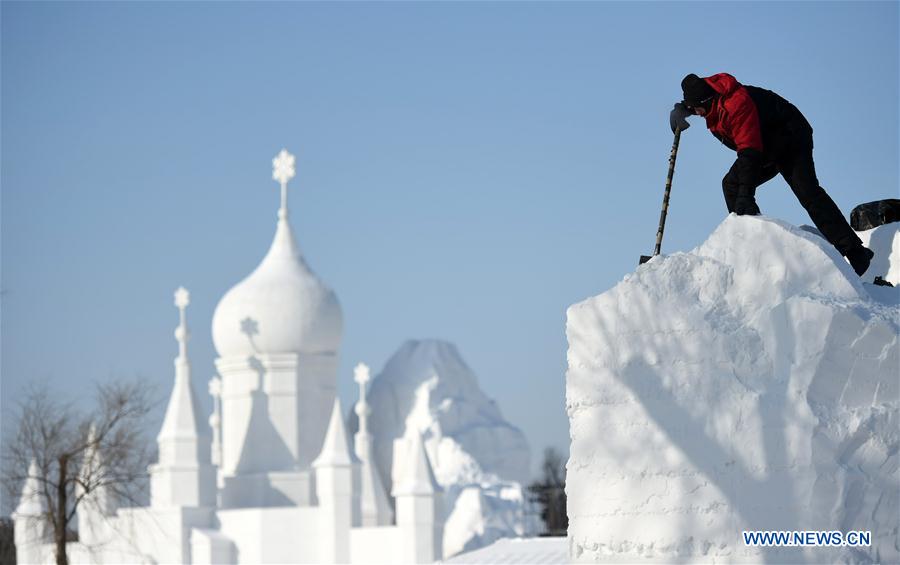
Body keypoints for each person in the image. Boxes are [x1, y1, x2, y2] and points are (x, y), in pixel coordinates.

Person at [670, 72, 874, 276]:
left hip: (790, 136)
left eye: (697, 108)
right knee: (730, 185)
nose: (697, 112)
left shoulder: (737, 104)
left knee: (808, 192)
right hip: (765, 143)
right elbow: (699, 104)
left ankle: (856, 253)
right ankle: (754, 251)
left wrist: (746, 195)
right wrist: (682, 110)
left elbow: (749, 152)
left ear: (707, 100)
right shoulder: (708, 96)